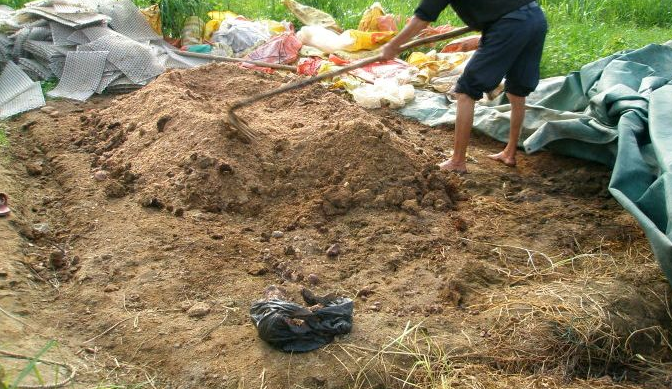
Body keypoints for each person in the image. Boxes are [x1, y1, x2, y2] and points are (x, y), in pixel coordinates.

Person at [381, 0, 548, 173]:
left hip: (510, 25)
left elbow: (422, 17)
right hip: (535, 18)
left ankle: (457, 161)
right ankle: (510, 152)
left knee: (466, 91)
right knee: (517, 91)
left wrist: (392, 46)